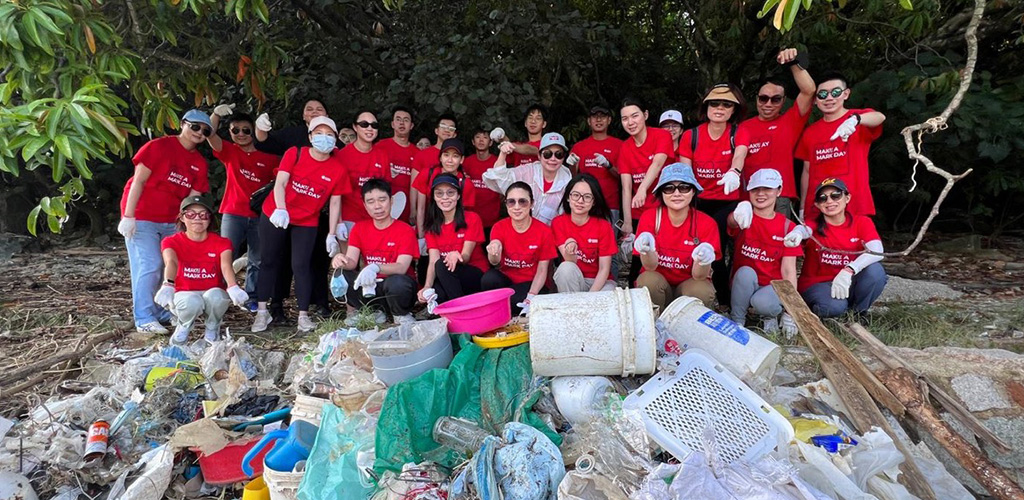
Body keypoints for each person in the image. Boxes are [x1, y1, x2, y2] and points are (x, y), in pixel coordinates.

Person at [252, 116, 351, 333]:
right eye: (319, 133)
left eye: (329, 134)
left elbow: (335, 202)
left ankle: (303, 316)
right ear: (310, 136)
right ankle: (262, 312)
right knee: (269, 261)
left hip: (307, 219)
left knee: (301, 265)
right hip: (276, 213)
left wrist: (332, 233)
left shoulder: (338, 168)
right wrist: (281, 208)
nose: (324, 138)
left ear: (335, 139)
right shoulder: (295, 153)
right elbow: (281, 183)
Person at [118, 109, 212, 334]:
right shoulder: (158, 147)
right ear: (182, 124)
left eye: (205, 131)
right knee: (149, 265)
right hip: (142, 216)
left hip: (171, 221)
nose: (199, 133)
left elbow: (193, 200)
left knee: (170, 265)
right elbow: (138, 181)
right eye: (195, 127)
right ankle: (144, 318)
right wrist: (128, 216)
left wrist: (190, 227)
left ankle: (161, 312)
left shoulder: (199, 163)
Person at [678, 83, 752, 305]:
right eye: (714, 103)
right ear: (706, 107)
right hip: (698, 201)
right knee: (693, 248)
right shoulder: (691, 136)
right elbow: (686, 172)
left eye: (726, 104)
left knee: (717, 249)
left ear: (734, 109)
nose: (720, 108)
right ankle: (689, 294)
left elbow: (740, 154)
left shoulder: (738, 133)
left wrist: (734, 171)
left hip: (727, 200)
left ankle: (725, 300)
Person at [207, 108, 281, 311]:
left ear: (253, 131)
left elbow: (282, 180)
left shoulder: (269, 156)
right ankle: (217, 295)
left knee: (257, 258)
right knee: (225, 254)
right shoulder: (230, 151)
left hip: (260, 215)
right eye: (235, 130)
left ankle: (252, 297)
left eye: (246, 130)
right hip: (233, 212)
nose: (241, 134)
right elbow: (209, 134)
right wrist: (216, 115)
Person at [784, 178, 888, 318]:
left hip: (848, 279)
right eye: (823, 198)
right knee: (833, 307)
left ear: (847, 198)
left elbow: (877, 250)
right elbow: (805, 229)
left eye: (836, 195)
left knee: (875, 271)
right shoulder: (814, 224)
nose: (829, 201)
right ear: (817, 204)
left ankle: (858, 313)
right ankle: (824, 312)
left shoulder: (862, 222)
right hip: (818, 284)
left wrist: (850, 269)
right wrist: (797, 233)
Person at [155, 196, 248, 344]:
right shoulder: (171, 241)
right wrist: (168, 284)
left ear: (209, 218)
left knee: (217, 297)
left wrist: (233, 286)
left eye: (203, 214)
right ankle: (184, 326)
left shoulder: (222, 242)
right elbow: (171, 262)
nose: (197, 219)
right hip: (184, 293)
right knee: (191, 301)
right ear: (182, 217)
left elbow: (226, 265)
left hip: (211, 291)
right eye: (190, 214)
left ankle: (212, 326)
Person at [796, 72, 886, 220]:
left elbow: (879, 117)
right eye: (822, 94)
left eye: (836, 92)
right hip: (819, 207)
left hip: (855, 204)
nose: (829, 98)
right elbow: (807, 171)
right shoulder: (810, 132)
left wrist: (856, 120)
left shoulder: (858, 118)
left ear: (846, 94)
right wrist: (802, 207)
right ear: (815, 100)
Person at [738, 48, 815, 219]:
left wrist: (793, 63)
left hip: (780, 196)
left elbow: (809, 91)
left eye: (776, 99)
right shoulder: (743, 127)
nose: (768, 104)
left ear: (783, 100)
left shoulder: (790, 122)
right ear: (756, 98)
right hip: (749, 197)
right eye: (763, 98)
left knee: (780, 236)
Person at [632, 163, 720, 311]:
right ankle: (654, 320)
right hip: (659, 285)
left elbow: (699, 276)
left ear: (693, 191)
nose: (677, 193)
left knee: (701, 290)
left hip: (688, 284)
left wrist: (703, 259)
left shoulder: (707, 223)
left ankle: (686, 322)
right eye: (669, 188)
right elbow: (649, 267)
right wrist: (647, 250)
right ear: (661, 193)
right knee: (648, 279)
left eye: (684, 187)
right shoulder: (650, 217)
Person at [332, 179, 419, 325]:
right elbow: (351, 262)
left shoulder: (405, 230)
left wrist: (375, 267)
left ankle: (400, 314)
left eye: (382, 200)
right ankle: (372, 312)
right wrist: (340, 259)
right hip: (371, 287)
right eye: (371, 202)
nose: (377, 206)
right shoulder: (359, 228)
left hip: (396, 289)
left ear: (391, 201)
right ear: (365, 205)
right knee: (344, 275)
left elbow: (402, 267)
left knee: (397, 282)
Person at [726, 169, 801, 336]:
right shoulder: (744, 217)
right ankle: (737, 320)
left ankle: (769, 315)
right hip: (743, 285)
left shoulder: (788, 227)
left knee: (763, 302)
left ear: (779, 191)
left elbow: (788, 270)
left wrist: (791, 311)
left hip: (770, 287)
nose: (760, 194)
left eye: (767, 188)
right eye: (755, 189)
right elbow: (731, 222)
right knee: (745, 272)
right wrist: (740, 211)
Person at [618, 97, 675, 284]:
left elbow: (657, 163)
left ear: (645, 115)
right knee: (637, 261)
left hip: (664, 209)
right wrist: (627, 222)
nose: (630, 122)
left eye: (635, 116)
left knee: (665, 256)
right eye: (625, 118)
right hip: (640, 212)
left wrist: (642, 189)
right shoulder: (625, 147)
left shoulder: (661, 136)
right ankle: (634, 292)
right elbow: (626, 187)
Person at [481, 182, 557, 315]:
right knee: (489, 278)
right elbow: (494, 262)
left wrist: (531, 296)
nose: (517, 207)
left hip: (532, 284)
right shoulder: (499, 227)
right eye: (511, 202)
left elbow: (542, 270)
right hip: (508, 280)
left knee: (510, 301)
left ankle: (499, 307)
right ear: (506, 204)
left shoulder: (544, 231)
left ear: (532, 204)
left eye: (522, 202)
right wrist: (494, 250)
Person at [418, 173, 489, 306]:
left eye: (450, 193)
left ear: (458, 195)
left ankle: (459, 308)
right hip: (449, 275)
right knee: (435, 293)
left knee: (442, 265)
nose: (445, 197)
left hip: (474, 273)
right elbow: (433, 260)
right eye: (439, 193)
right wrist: (427, 286)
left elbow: (466, 256)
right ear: (434, 197)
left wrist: (457, 255)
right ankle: (456, 305)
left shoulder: (472, 218)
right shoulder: (432, 227)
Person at [484, 132, 573, 225]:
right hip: (522, 230)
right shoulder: (527, 171)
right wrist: (503, 154)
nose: (553, 159)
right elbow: (497, 178)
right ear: (539, 156)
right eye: (547, 154)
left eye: (559, 154)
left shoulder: (567, 181)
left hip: (550, 233)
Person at [551, 174, 618, 293]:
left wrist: (590, 297)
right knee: (565, 269)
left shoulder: (603, 226)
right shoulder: (558, 223)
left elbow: (604, 268)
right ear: (568, 197)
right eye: (576, 195)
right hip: (574, 278)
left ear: (594, 201)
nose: (580, 201)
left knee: (608, 294)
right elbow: (570, 261)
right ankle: (572, 305)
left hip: (600, 282)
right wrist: (570, 249)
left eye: (587, 197)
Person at [568, 105, 623, 228]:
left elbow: (624, 178)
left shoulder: (619, 145)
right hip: (584, 205)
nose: (598, 120)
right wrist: (571, 165)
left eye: (602, 116)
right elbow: (573, 179)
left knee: (609, 238)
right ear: (589, 121)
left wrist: (608, 165)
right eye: (595, 117)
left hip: (610, 205)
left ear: (609, 120)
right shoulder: (579, 147)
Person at [412, 138, 479, 237]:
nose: (450, 160)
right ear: (440, 157)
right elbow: (421, 208)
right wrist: (421, 236)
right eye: (446, 155)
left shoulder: (466, 183)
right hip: (428, 228)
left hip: (453, 234)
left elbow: (465, 216)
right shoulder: (427, 174)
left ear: (462, 160)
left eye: (455, 156)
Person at [336, 111, 389, 232]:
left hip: (376, 219)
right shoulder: (342, 156)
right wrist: (338, 222)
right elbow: (336, 194)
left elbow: (386, 190)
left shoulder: (382, 155)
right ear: (355, 127)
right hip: (349, 218)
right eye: (364, 124)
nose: (370, 128)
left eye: (374, 125)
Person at [411, 114, 458, 229]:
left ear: (455, 134)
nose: (447, 130)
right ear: (436, 130)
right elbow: (414, 186)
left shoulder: (457, 158)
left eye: (451, 128)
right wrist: (413, 209)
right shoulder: (422, 155)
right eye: (443, 126)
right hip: (426, 212)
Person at [377, 106, 417, 222]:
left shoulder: (417, 153)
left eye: (406, 120)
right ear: (392, 124)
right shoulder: (380, 147)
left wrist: (414, 209)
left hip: (407, 208)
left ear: (411, 125)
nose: (402, 123)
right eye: (398, 119)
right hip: (382, 205)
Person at [253, 99, 327, 155]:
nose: (314, 112)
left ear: (327, 115)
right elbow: (266, 143)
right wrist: (260, 128)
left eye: (319, 109)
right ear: (303, 116)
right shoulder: (292, 134)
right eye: (309, 109)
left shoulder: (334, 135)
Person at [462, 129, 501, 231]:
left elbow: (503, 190)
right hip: (471, 217)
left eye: (485, 137)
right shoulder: (467, 162)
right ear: (473, 142)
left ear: (491, 142)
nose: (481, 140)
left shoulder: (497, 162)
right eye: (478, 137)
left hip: (492, 218)